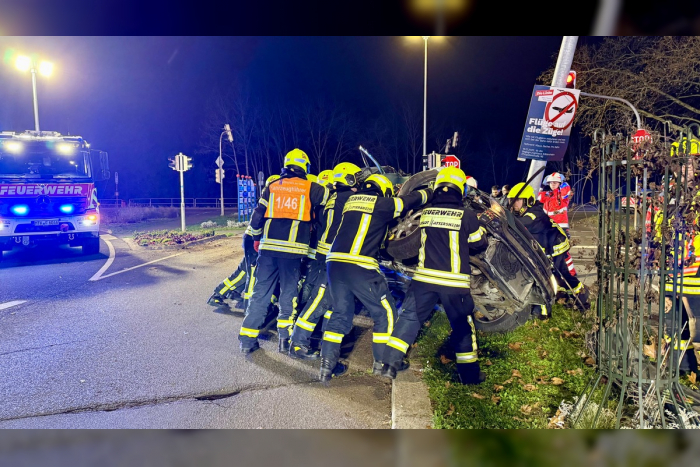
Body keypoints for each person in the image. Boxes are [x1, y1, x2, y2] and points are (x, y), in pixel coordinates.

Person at [380, 167, 489, 384]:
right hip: (454, 284)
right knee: (462, 327)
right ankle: (469, 376)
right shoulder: (466, 215)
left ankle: (390, 363)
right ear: (461, 189)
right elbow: (479, 243)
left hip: (424, 281)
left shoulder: (427, 213)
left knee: (410, 318)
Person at [320, 174, 433, 382]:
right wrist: (430, 191)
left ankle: (327, 365)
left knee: (340, 313)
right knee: (385, 313)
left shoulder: (350, 202)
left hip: (334, 264)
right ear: (383, 190)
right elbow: (408, 201)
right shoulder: (381, 204)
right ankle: (382, 363)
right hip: (359, 265)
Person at [238, 149, 329, 355]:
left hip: (268, 250)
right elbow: (328, 198)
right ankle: (284, 340)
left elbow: (257, 217)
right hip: (293, 253)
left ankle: (247, 340)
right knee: (288, 294)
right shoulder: (311, 188)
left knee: (260, 294)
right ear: (304, 167)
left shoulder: (272, 186)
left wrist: (256, 239)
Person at [288, 163, 363, 360]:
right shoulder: (349, 199)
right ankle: (298, 342)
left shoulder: (332, 197)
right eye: (357, 179)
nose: (359, 183)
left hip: (325, 255)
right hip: (331, 258)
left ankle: (323, 338)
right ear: (349, 180)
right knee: (319, 300)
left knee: (331, 301)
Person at [507, 182, 590, 315]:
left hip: (555, 244)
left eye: (517, 200)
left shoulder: (535, 213)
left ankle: (581, 296)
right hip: (545, 247)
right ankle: (559, 299)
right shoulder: (519, 213)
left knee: (559, 273)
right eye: (511, 200)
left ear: (528, 201)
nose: (514, 203)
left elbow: (524, 223)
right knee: (552, 275)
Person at [207, 174, 280, 309]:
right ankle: (241, 301)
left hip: (252, 239)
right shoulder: (272, 202)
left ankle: (228, 293)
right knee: (251, 272)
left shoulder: (269, 200)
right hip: (254, 240)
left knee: (244, 271)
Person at [538, 172, 572, 238]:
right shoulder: (548, 194)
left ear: (559, 183)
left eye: (555, 182)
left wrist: (564, 183)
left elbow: (565, 193)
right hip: (548, 224)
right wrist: (542, 186)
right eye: (551, 183)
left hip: (561, 225)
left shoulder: (561, 195)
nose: (552, 184)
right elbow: (538, 197)